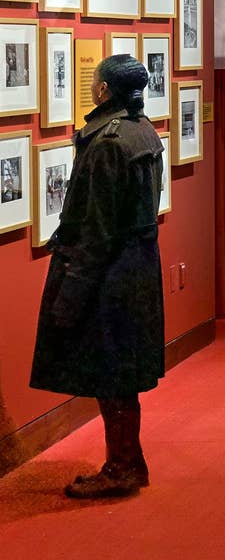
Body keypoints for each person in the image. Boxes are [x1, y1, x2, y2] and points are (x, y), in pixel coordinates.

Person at [30, 55, 165, 499]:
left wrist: (69, 296)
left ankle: (123, 467)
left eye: (94, 83)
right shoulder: (142, 131)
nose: (91, 89)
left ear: (104, 90)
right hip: (136, 266)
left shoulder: (108, 143)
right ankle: (129, 461)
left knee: (113, 375)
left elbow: (98, 230)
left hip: (111, 275)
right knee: (121, 372)